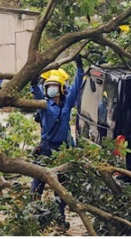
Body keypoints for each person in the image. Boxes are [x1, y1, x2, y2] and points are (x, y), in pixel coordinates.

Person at [30, 56, 85, 228]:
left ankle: (60, 218)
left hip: (62, 151)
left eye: (54, 87)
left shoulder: (67, 104)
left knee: (61, 187)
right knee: (37, 183)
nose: (50, 89)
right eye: (48, 87)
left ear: (60, 89)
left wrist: (79, 67)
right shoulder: (44, 105)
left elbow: (77, 86)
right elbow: (35, 90)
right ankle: (33, 214)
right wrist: (34, 77)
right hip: (46, 150)